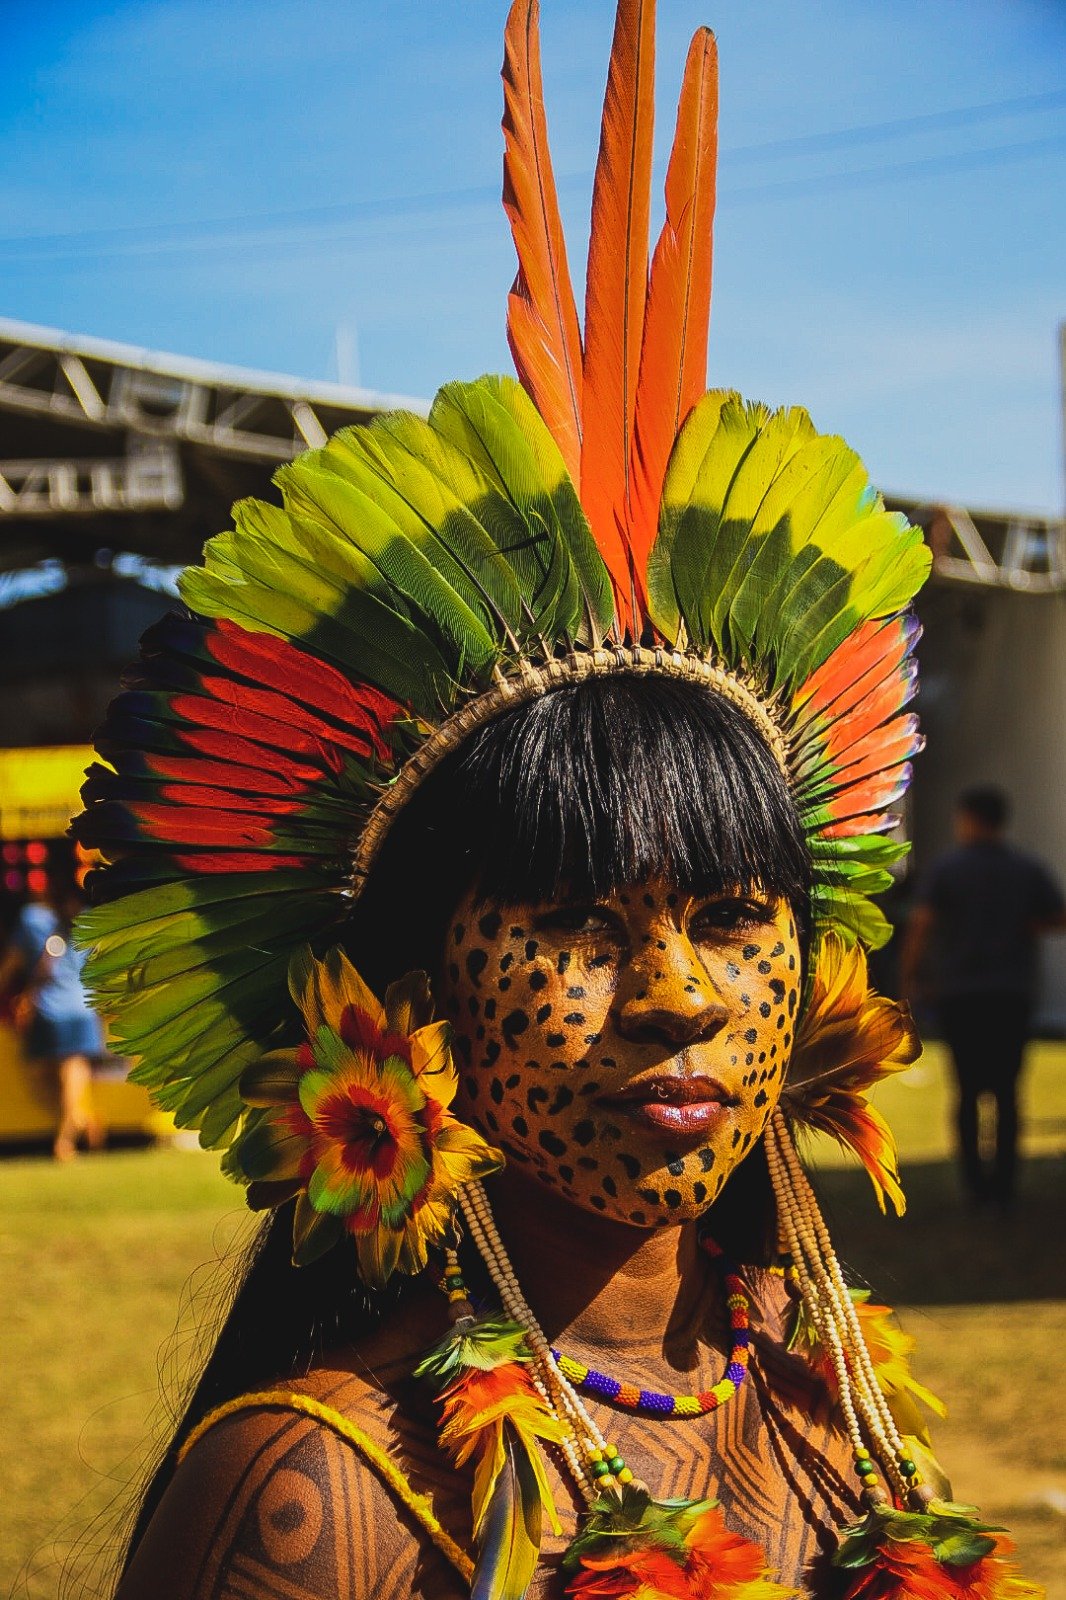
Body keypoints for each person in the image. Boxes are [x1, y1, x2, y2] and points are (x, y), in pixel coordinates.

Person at [70, 3, 1042, 1597]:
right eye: (577, 924)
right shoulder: (320, 1499)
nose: (676, 997)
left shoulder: (841, 1418)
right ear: (403, 996)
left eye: (733, 917)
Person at [902, 785, 1065, 1209]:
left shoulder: (948, 868)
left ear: (969, 818)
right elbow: (1057, 917)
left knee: (969, 1090)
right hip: (1011, 992)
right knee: (1008, 1091)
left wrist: (910, 977)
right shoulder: (1026, 869)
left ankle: (975, 1185)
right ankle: (1004, 1185)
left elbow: (921, 924)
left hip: (961, 994)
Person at [5, 875, 105, 1160]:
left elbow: (13, 961)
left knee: (63, 1070)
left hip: (51, 1009)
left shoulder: (32, 918)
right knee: (66, 1070)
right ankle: (80, 1116)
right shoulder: (87, 920)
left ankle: (64, 1140)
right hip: (82, 1008)